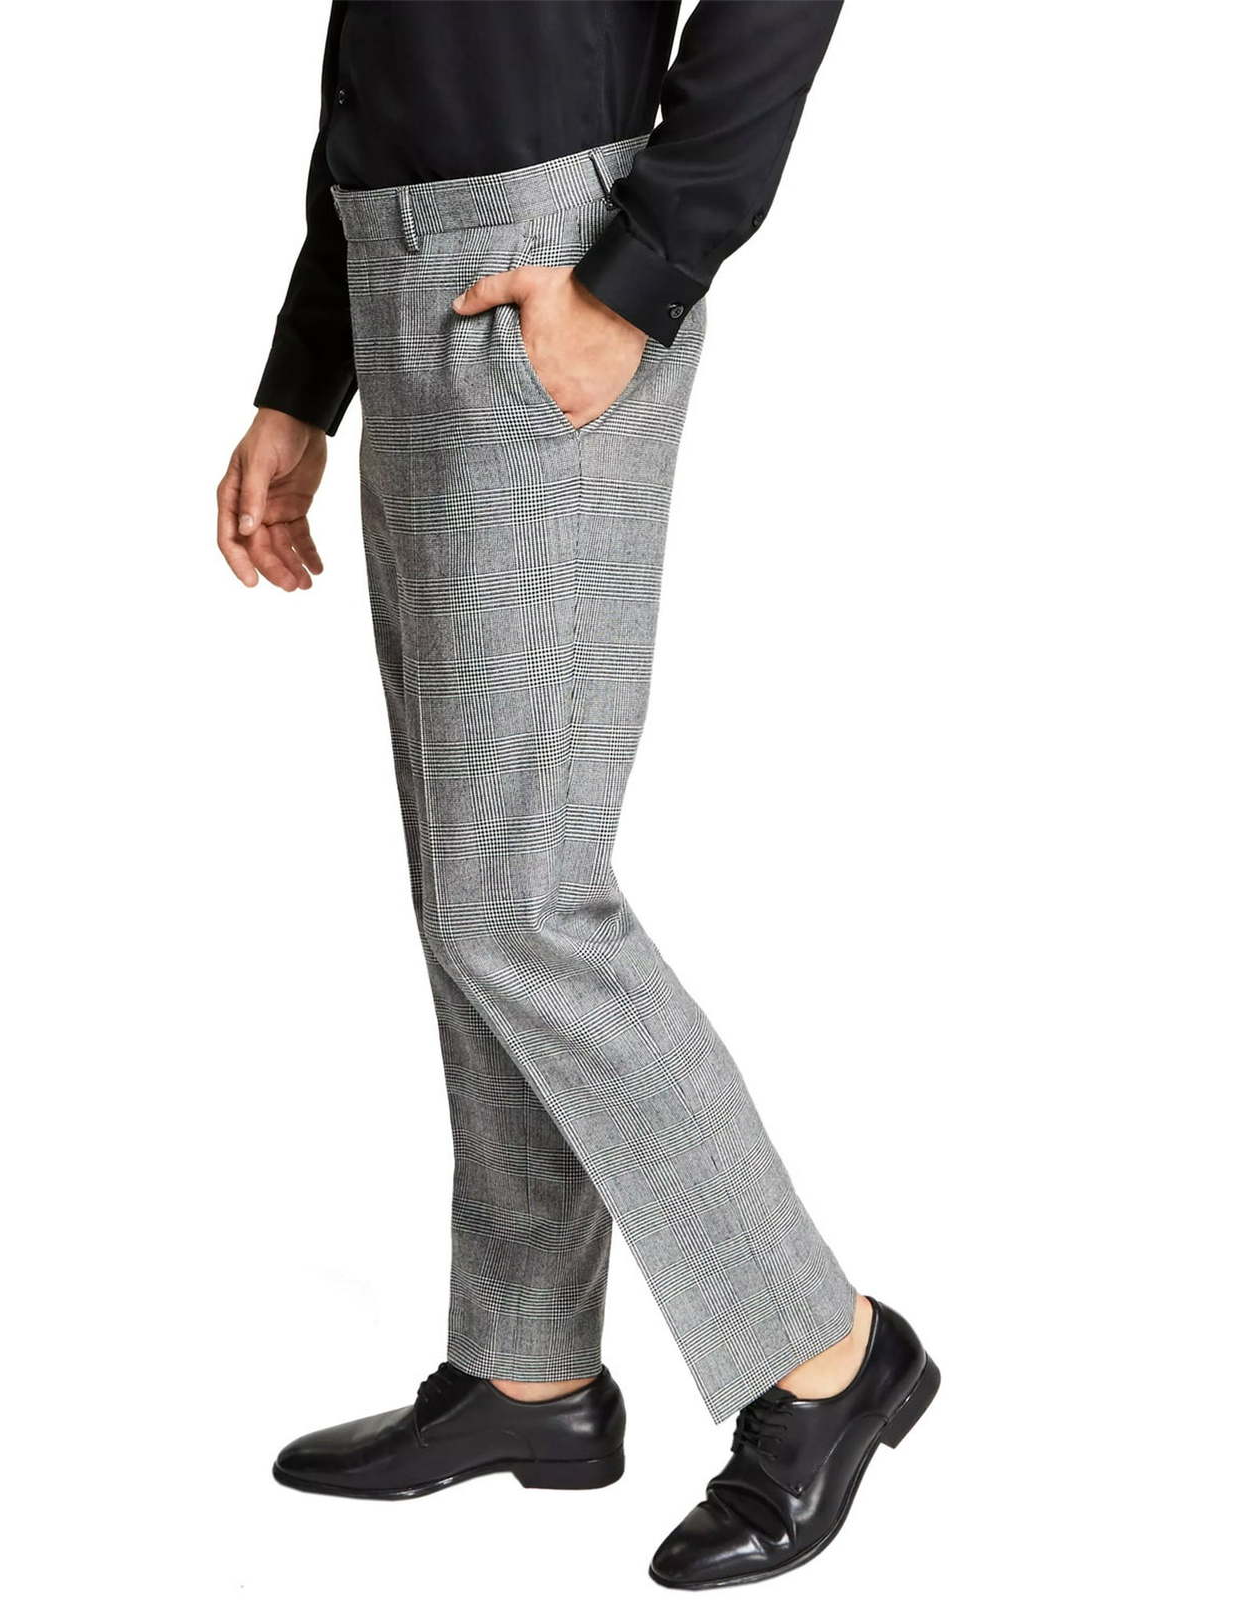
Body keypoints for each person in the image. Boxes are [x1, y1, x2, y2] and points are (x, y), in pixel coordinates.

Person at [215, 3, 937, 1586]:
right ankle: (529, 1368)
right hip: (397, 254)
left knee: (523, 902)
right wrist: (304, 374)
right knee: (470, 883)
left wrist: (640, 271)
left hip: (551, 252)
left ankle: (827, 1352)